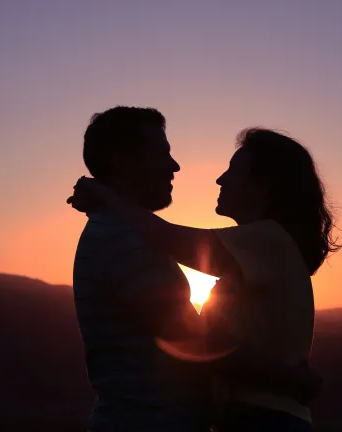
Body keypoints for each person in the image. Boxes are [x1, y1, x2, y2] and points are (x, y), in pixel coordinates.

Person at [69, 127, 341, 431]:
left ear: (263, 186)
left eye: (233, 171)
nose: (220, 179)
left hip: (265, 420)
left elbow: (168, 237)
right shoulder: (257, 251)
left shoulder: (270, 240)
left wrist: (105, 196)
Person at [71, 106, 211, 431]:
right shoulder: (120, 238)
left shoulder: (127, 233)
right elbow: (190, 340)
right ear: (121, 161)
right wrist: (281, 375)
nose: (174, 166)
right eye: (162, 154)